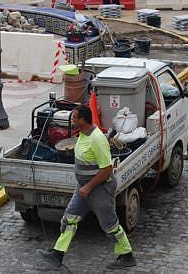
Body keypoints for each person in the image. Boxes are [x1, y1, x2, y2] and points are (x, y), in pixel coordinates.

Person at [38, 105, 136, 270]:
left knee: (110, 225)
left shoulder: (97, 139)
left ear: (83, 120)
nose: (72, 120)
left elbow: (106, 170)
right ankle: (57, 254)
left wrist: (88, 187)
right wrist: (83, 186)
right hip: (83, 188)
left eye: (74, 117)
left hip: (99, 189)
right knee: (69, 219)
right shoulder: (82, 135)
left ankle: (127, 255)